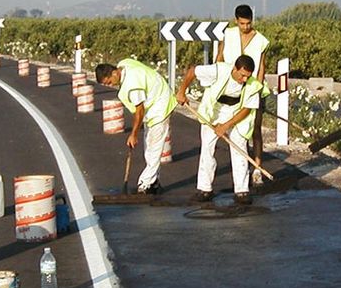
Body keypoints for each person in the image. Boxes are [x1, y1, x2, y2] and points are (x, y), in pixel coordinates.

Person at [176, 55, 262, 205]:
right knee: (207, 147)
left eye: (247, 77)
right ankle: (205, 189)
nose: (244, 80)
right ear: (235, 68)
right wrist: (182, 92)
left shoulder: (252, 85)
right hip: (213, 111)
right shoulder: (218, 70)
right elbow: (192, 71)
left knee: (239, 146)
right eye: (242, 75)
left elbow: (247, 110)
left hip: (236, 113)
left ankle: (242, 190)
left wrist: (226, 126)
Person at [95, 59, 176, 194]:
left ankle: (144, 184)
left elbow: (139, 111)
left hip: (160, 106)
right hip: (156, 100)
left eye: (109, 82)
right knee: (149, 147)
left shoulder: (132, 86)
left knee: (153, 148)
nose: (110, 85)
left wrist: (134, 134)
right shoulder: (124, 64)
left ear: (114, 73)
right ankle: (154, 182)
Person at [216, 4, 270, 185]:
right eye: (242, 23)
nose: (245, 27)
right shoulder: (228, 34)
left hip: (252, 88)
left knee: (255, 129)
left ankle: (257, 168)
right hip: (230, 89)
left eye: (248, 23)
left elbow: (262, 67)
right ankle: (240, 172)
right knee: (236, 131)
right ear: (236, 21)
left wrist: (258, 89)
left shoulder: (261, 40)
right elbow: (219, 59)